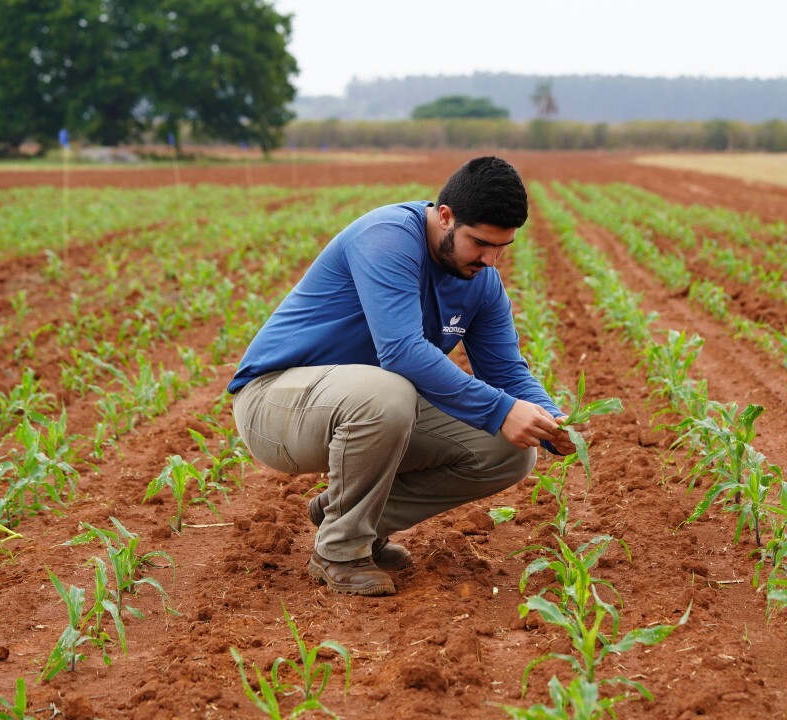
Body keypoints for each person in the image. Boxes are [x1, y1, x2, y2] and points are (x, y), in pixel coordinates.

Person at [227, 156, 585, 596]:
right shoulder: (389, 237)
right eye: (480, 243)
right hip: (275, 402)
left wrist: (549, 419)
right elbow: (400, 352)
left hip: (364, 403)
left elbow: (506, 370)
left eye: (502, 247)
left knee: (509, 450)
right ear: (446, 216)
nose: (491, 260)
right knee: (391, 390)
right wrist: (500, 408)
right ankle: (341, 549)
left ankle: (344, 515)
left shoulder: (481, 282)